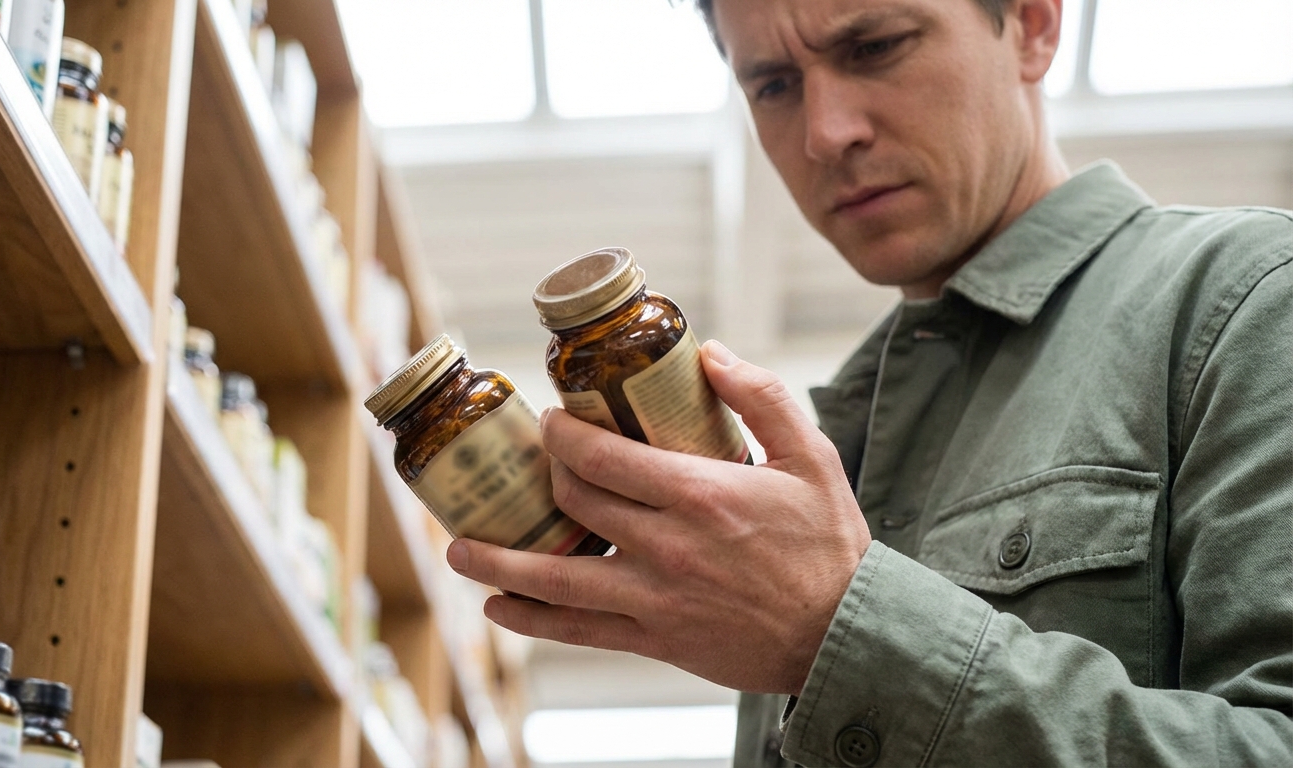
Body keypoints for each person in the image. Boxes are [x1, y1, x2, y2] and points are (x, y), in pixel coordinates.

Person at [445, 0, 1293, 764]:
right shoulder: (841, 430)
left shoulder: (1248, 298)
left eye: (876, 46)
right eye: (774, 84)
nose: (825, 131)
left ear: (1033, 24)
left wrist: (837, 632)